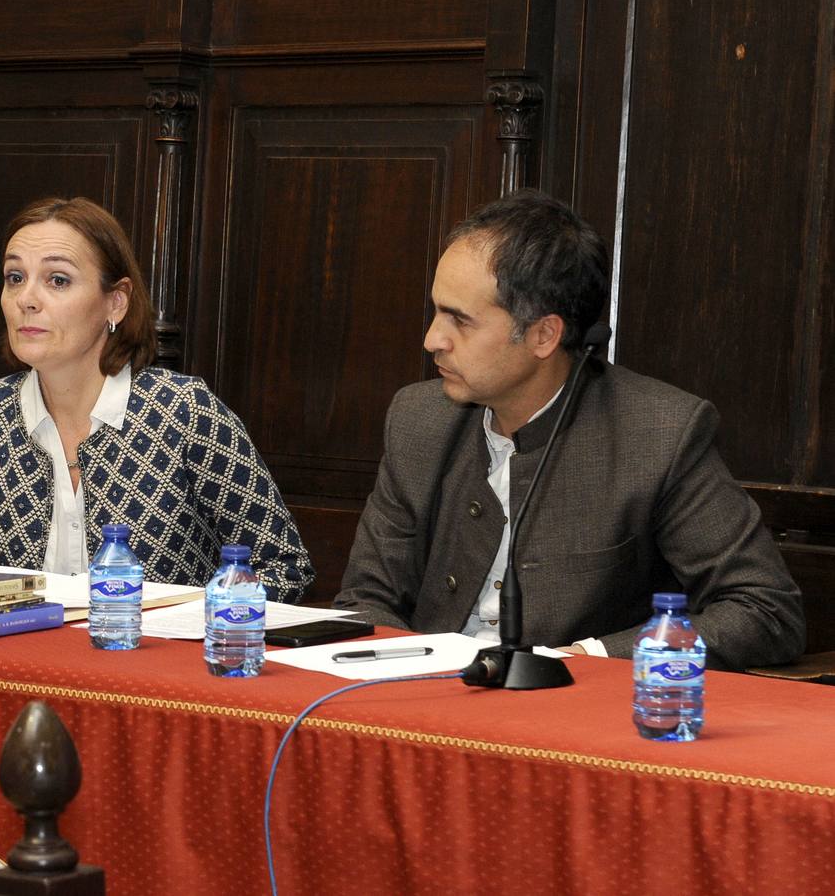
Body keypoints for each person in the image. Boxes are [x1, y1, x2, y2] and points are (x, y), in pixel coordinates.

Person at [334, 189, 804, 669]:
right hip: (424, 701)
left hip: (576, 712)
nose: (432, 339)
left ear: (543, 335)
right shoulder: (419, 419)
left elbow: (764, 610)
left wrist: (591, 658)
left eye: (460, 320)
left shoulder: (659, 433)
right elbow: (366, 601)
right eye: (436, 311)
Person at [0, 196, 314, 601]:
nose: (26, 299)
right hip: (21, 661)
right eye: (15, 277)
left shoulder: (183, 411)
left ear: (115, 301)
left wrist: (192, 623)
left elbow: (283, 569)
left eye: (58, 280)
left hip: (164, 658)